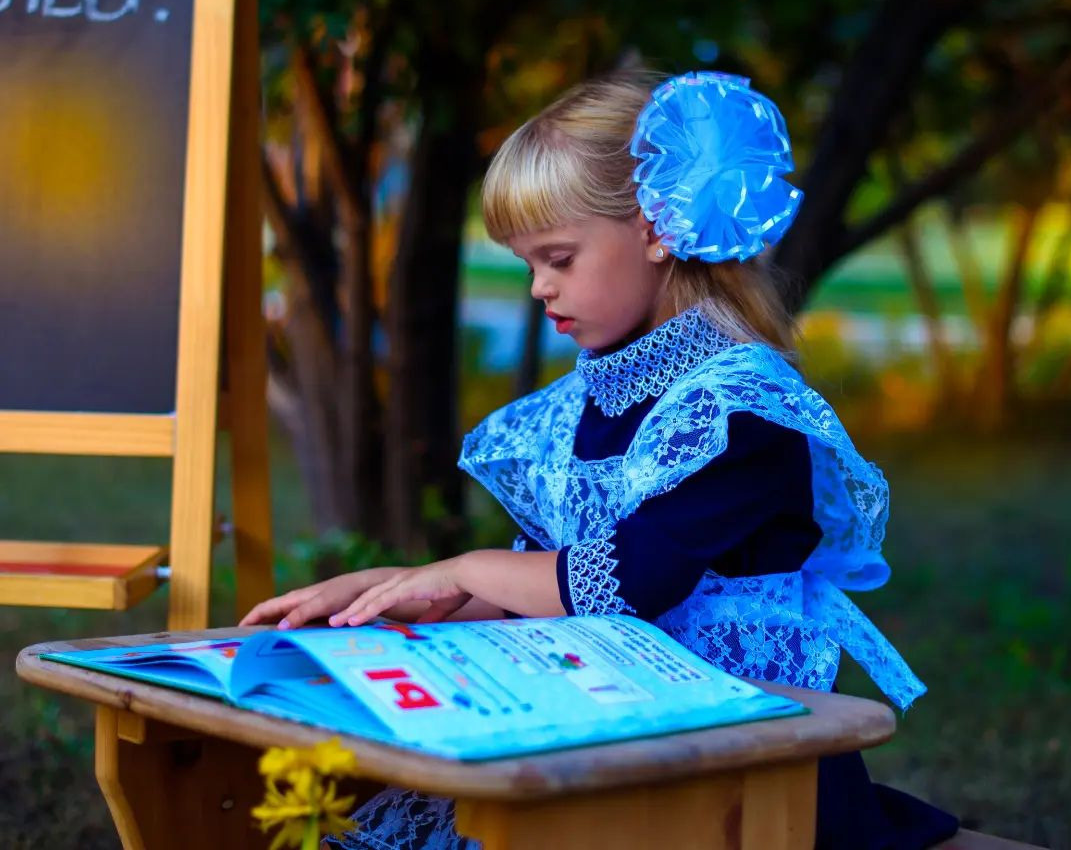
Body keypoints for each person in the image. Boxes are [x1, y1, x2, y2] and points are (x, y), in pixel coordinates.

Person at [241, 70, 959, 849]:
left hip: (738, 774)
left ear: (656, 229)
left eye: (558, 258)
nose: (539, 288)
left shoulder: (735, 410)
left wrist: (466, 569)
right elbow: (543, 584)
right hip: (614, 731)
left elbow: (625, 582)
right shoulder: (581, 409)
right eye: (527, 266)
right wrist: (392, 595)